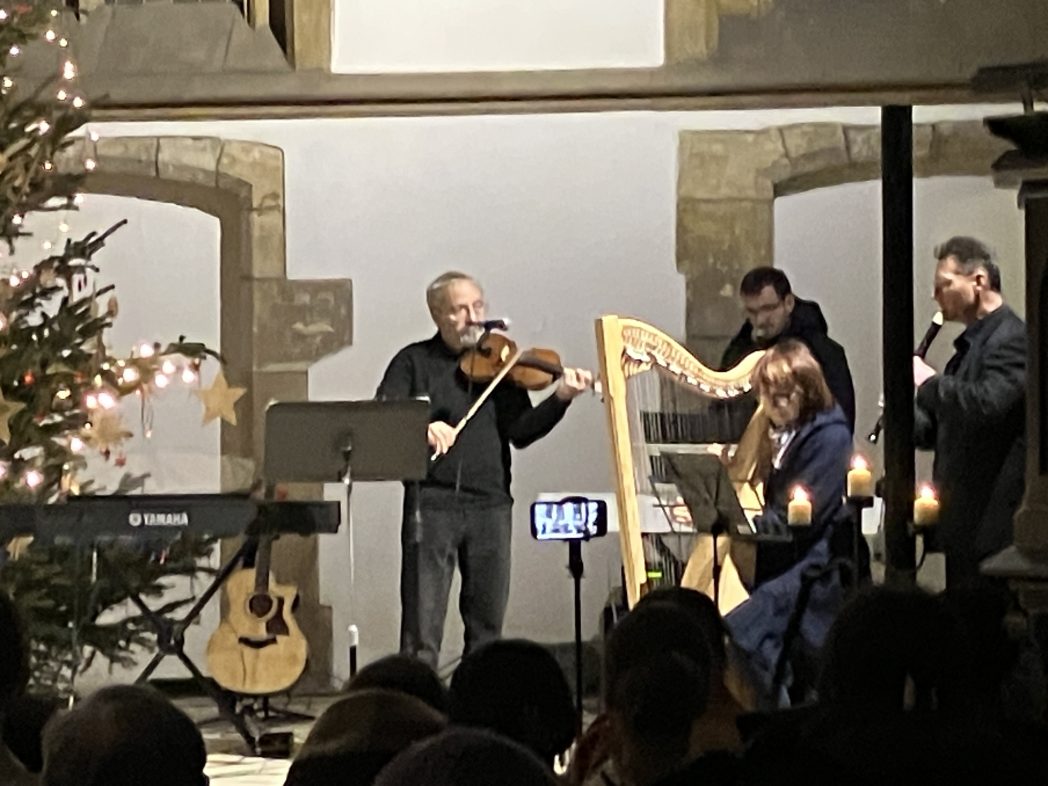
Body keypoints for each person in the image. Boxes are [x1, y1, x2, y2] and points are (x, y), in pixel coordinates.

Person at [376, 271, 592, 667]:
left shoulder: (501, 367)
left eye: (478, 306)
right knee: (421, 633)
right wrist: (421, 427)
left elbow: (521, 432)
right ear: (437, 314)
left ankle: (477, 700)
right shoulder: (413, 362)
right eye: (460, 309)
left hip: (491, 506)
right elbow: (383, 419)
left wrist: (560, 398)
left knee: (487, 631)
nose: (474, 317)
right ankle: (419, 700)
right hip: (431, 504)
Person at [723, 341, 853, 705]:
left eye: (784, 395)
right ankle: (780, 711)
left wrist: (741, 523)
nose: (774, 404)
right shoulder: (787, 433)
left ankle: (777, 717)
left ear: (808, 391)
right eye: (767, 395)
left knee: (744, 631)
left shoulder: (830, 437)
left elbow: (802, 520)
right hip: (788, 558)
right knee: (759, 644)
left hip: (817, 566)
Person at [913, 237, 1026, 590]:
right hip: (966, 522)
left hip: (992, 525)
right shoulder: (971, 347)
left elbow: (987, 405)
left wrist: (929, 383)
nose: (936, 295)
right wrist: (906, 410)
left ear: (978, 281)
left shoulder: (1010, 338)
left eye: (944, 284)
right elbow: (945, 426)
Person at [721, 267, 855, 432]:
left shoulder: (823, 353)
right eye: (752, 311)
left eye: (768, 308)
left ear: (789, 303)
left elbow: (841, 421)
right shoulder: (742, 348)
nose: (760, 320)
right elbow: (721, 406)